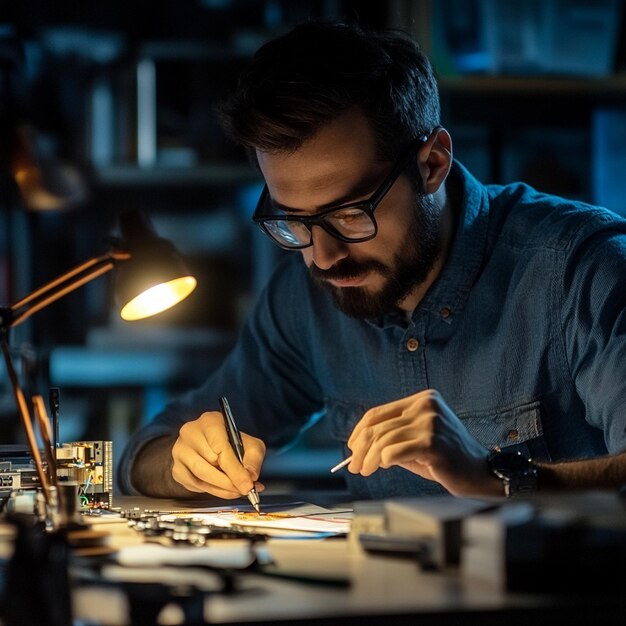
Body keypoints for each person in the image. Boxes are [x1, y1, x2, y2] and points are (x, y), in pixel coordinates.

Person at [118, 19, 626, 502]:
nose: (324, 255)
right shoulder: (305, 297)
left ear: (432, 165)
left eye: (350, 213)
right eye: (293, 220)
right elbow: (143, 457)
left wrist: (493, 476)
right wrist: (184, 461)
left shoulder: (581, 269)